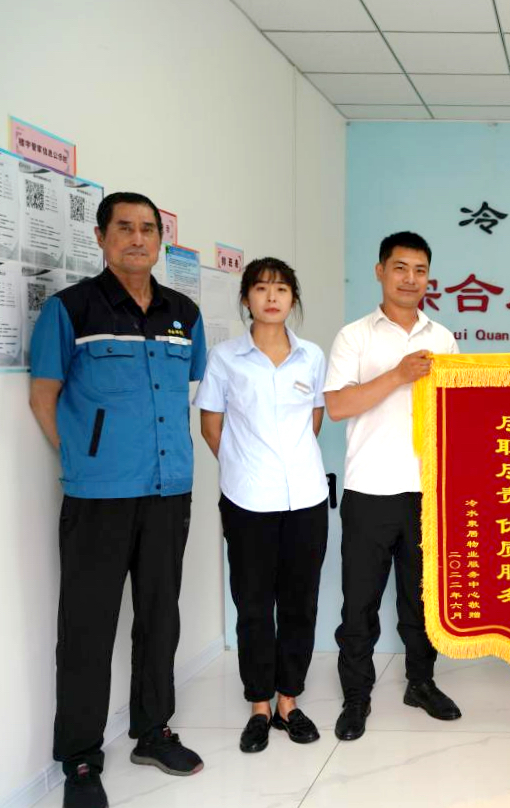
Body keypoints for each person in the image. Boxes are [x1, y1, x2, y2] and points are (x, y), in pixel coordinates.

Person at [29, 192, 206, 808]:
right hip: (99, 497)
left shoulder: (184, 312)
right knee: (87, 625)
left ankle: (153, 732)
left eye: (148, 229)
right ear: (101, 237)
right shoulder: (71, 309)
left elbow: (187, 389)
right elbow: (43, 397)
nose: (137, 238)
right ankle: (81, 759)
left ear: (160, 240)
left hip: (168, 490)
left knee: (160, 618)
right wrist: (84, 458)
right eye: (124, 228)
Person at [324, 231, 461, 740]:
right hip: (369, 490)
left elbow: (457, 413)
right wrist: (398, 375)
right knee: (359, 602)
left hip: (428, 493)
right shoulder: (354, 336)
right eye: (400, 268)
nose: (410, 279)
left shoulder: (443, 337)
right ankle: (356, 696)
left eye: (420, 270)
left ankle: (420, 683)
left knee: (422, 600)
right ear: (380, 271)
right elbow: (337, 406)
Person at [194, 258, 329, 754]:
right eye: (261, 288)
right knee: (253, 604)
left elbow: (314, 420)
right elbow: (212, 427)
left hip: (306, 497)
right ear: (246, 298)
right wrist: (245, 466)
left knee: (300, 602)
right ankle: (259, 704)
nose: (272, 297)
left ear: (293, 299)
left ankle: (288, 700)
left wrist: (288, 464)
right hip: (247, 499)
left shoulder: (311, 356)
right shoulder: (226, 358)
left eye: (281, 289)